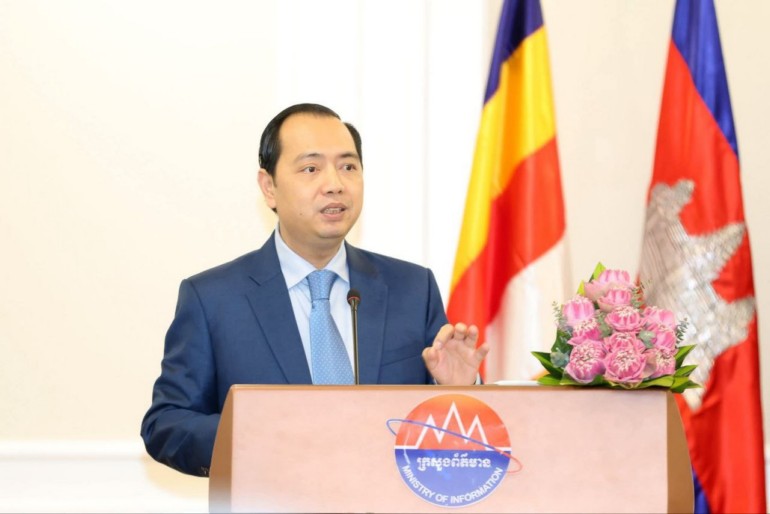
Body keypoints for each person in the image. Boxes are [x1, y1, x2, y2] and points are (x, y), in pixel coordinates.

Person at [140, 103, 489, 476]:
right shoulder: (213, 299)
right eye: (311, 168)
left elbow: (451, 439)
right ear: (269, 187)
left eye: (348, 167)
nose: (335, 184)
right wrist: (254, 436)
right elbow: (166, 424)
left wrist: (459, 390)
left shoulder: (412, 289)